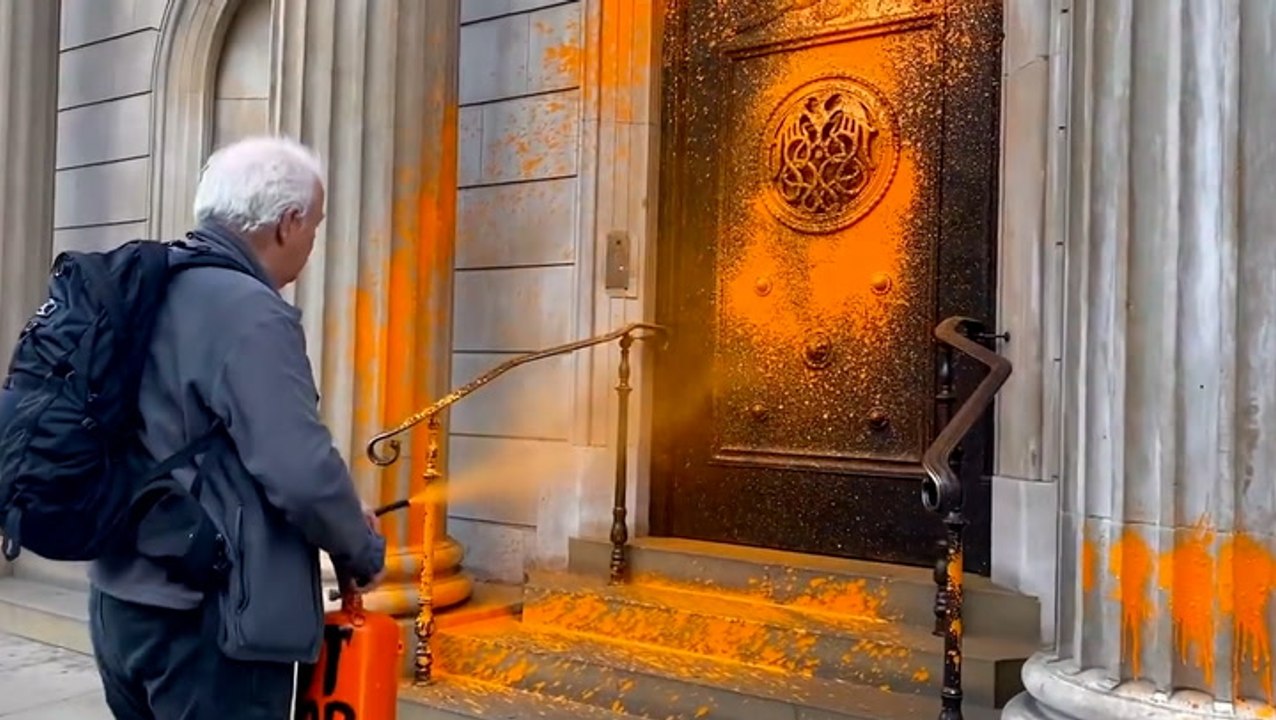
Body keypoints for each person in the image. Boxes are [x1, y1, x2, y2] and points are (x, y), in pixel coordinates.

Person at [87, 136, 387, 719]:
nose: (311, 243)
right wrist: (361, 548)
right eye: (315, 227)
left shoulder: (146, 287)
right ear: (288, 222)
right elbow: (300, 472)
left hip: (120, 605)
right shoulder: (251, 312)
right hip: (209, 627)